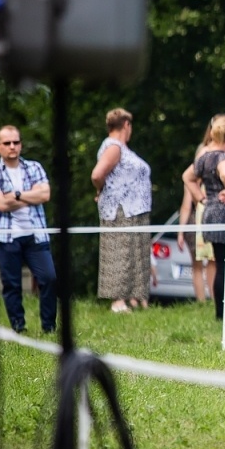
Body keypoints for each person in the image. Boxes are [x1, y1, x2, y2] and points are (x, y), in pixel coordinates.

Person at [0, 125, 56, 335]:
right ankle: (18, 328)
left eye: (16, 142)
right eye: (7, 143)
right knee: (12, 285)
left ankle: (49, 327)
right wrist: (29, 195)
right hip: (6, 237)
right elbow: (0, 204)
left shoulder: (34, 167)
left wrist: (14, 195)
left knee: (49, 278)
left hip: (36, 234)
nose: (12, 146)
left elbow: (45, 196)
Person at [93, 107, 152, 312]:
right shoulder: (113, 147)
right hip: (120, 209)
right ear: (126, 125)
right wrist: (101, 190)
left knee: (134, 254)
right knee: (119, 252)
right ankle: (117, 301)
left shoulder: (123, 148)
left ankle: (134, 298)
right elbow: (97, 174)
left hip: (135, 209)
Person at [188, 116, 225, 322]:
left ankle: (222, 312)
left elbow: (187, 176)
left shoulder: (204, 155)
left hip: (210, 212)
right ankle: (223, 313)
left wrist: (200, 196)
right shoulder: (223, 157)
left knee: (220, 264)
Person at [176, 121, 217, 303]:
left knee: (205, 263)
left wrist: (181, 231)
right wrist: (180, 231)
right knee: (203, 263)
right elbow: (186, 205)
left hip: (202, 220)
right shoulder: (194, 181)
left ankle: (208, 301)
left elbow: (185, 206)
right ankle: (204, 302)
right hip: (199, 220)